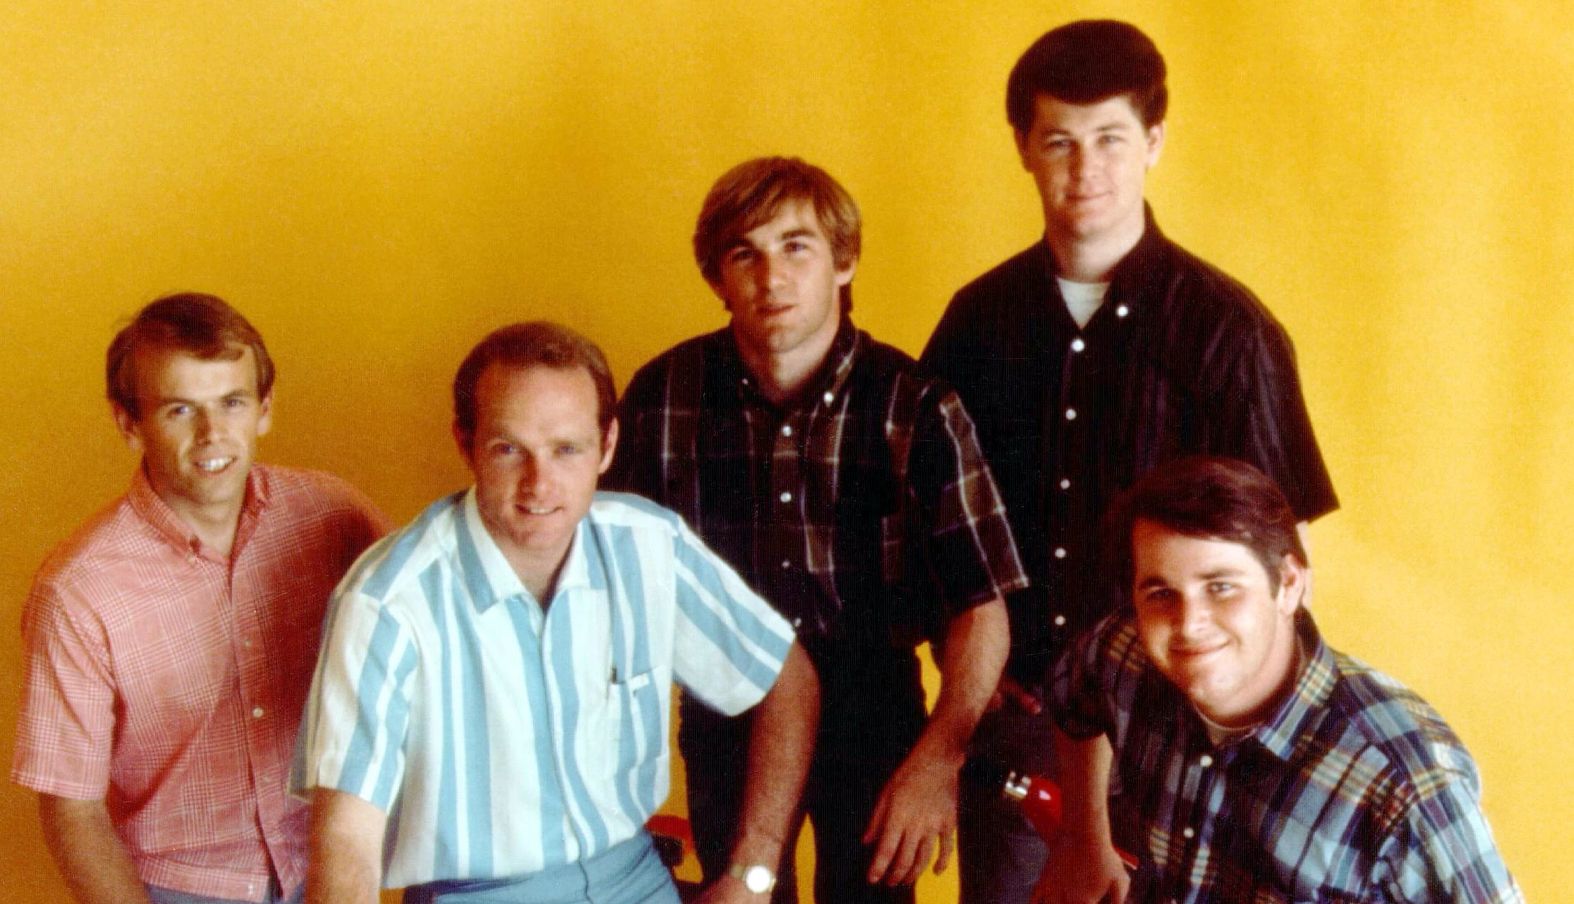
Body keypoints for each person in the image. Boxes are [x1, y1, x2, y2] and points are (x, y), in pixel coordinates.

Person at [919, 20, 1339, 902]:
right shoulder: (977, 322)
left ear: (1152, 143)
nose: (1086, 169)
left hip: (1179, 733)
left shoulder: (1230, 330)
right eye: (1059, 142)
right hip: (1020, 724)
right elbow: (922, 516)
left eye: (1110, 138)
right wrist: (966, 670)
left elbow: (1276, 561)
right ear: (1024, 150)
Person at [609, 156, 1026, 904]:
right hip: (724, 709)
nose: (772, 276)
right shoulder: (660, 399)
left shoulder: (917, 406)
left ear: (844, 261)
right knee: (743, 894)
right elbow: (607, 585)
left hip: (877, 712)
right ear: (716, 277)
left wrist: (941, 754)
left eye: (796, 245)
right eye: (746, 252)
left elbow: (980, 602)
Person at [296, 321, 818, 904]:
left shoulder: (650, 544)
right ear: (464, 444)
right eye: (508, 449)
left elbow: (787, 679)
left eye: (567, 449)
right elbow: (346, 838)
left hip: (636, 878)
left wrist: (752, 875)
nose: (539, 484)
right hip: (478, 893)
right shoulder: (386, 599)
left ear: (608, 446)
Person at [11, 293, 388, 904]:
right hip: (179, 889)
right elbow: (72, 811)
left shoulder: (334, 514)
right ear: (128, 422)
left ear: (265, 409)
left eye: (232, 403)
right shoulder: (77, 592)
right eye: (179, 409)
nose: (213, 434)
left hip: (332, 866)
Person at [1037, 456, 1522, 903]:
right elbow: (1072, 697)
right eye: (1161, 593)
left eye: (1221, 587)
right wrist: (1083, 837)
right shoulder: (1125, 655)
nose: (1188, 624)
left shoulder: (1404, 780)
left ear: (1289, 584)